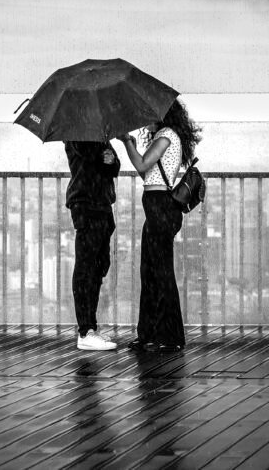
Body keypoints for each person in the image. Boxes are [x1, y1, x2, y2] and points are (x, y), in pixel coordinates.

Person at [118, 100, 202, 352]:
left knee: (160, 272)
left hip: (160, 209)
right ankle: (150, 333)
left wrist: (127, 143)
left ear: (162, 116)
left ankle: (170, 335)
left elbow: (142, 165)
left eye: (150, 114)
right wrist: (132, 146)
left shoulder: (166, 135)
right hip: (156, 208)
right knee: (151, 271)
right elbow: (148, 174)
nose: (146, 120)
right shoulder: (166, 136)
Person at [64, 140, 121, 350]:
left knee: (98, 267)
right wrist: (103, 157)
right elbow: (88, 159)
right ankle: (85, 330)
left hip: (102, 205)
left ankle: (90, 328)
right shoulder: (76, 133)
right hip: (86, 205)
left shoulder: (100, 135)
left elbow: (114, 168)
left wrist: (112, 160)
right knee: (86, 267)